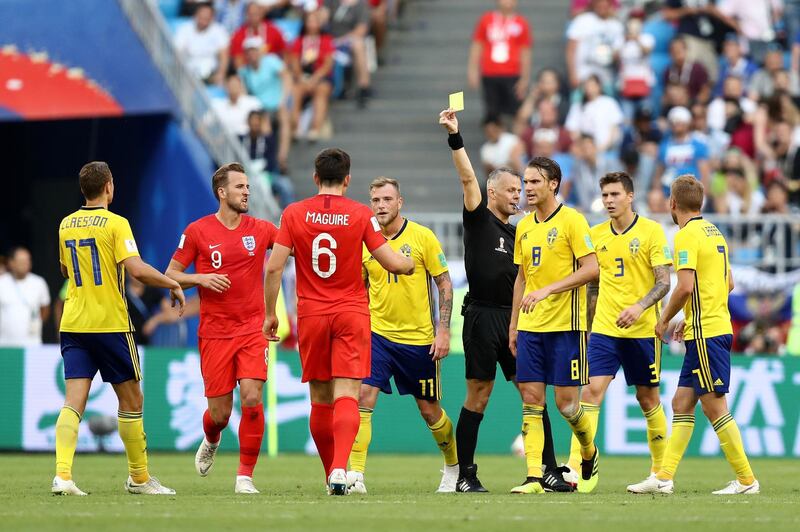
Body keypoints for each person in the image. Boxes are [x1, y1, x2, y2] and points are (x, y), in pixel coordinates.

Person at [262, 148, 414, 495]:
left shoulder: (294, 213)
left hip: (312, 314)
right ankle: (341, 470)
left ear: (316, 178)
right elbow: (390, 262)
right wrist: (408, 264)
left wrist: (271, 313)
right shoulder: (362, 214)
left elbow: (274, 267)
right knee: (348, 392)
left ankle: (330, 471)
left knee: (319, 397)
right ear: (347, 180)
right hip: (350, 312)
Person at [438, 109, 571, 494]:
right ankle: (466, 475)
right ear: (492, 192)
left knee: (533, 394)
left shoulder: (524, 232)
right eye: (512, 190)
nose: (519, 196)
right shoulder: (478, 218)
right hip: (480, 316)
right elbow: (466, 176)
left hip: (517, 319)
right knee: (478, 396)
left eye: (521, 190)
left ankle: (547, 469)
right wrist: (455, 137)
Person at [53, 161, 185, 496]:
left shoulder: (65, 225)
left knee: (73, 401)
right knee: (131, 399)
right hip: (109, 324)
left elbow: (66, 271)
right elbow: (136, 269)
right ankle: (139, 479)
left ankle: (63, 476)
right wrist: (172, 282)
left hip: (73, 324)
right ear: (109, 186)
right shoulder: (116, 224)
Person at [629, 175, 760, 495]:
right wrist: (696, 314)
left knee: (715, 407)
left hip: (707, 334)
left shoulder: (686, 236)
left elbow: (685, 286)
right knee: (681, 402)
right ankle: (663, 476)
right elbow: (727, 283)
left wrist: (665, 319)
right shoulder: (716, 233)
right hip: (710, 327)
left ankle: (746, 480)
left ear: (673, 204)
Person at [165, 163, 278, 494]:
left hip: (252, 330)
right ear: (222, 192)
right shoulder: (198, 231)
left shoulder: (260, 228)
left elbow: (293, 244)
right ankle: (212, 438)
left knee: (253, 397)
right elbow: (170, 272)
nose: (247, 191)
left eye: (247, 186)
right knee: (220, 414)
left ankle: (245, 477)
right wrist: (198, 278)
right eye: (240, 186)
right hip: (214, 333)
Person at [347, 177, 458, 494]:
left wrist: (444, 329)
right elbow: (360, 287)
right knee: (363, 399)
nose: (380, 206)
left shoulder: (423, 237)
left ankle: (452, 465)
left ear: (400, 202)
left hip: (419, 340)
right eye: (375, 200)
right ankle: (356, 476)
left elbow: (444, 283)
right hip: (378, 335)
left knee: (429, 410)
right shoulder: (364, 240)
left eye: (386, 199)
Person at [562, 172, 672, 490]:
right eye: (605, 196)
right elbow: (593, 284)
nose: (609, 201)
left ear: (629, 196)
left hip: (642, 332)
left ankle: (661, 474)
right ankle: (577, 467)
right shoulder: (596, 235)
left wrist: (639, 307)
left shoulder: (651, 231)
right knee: (589, 394)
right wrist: (588, 321)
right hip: (605, 330)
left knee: (647, 398)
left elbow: (664, 282)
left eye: (614, 195)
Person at [508, 156, 600, 494]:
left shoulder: (573, 221)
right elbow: (521, 279)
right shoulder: (524, 226)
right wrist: (514, 324)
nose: (527, 188)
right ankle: (534, 476)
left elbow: (592, 269)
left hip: (566, 326)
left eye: (534, 182)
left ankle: (589, 451)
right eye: (526, 182)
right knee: (531, 400)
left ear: (553, 184)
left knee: (566, 405)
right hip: (531, 327)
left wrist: (549, 289)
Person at [468, 0, 532, 119]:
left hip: (512, 73)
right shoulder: (486, 19)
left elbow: (525, 51)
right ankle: (496, 137)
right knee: (492, 110)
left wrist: (525, 78)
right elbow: (477, 45)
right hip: (489, 72)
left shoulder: (521, 22)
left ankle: (514, 137)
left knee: (515, 109)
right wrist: (473, 70)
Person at [288, 8, 335, 141]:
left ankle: (315, 128)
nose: (312, 24)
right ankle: (295, 128)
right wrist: (301, 78)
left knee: (321, 92)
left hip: (321, 78)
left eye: (315, 21)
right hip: (303, 78)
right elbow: (295, 62)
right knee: (295, 92)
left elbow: (328, 64)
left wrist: (315, 79)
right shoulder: (299, 41)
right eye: (310, 21)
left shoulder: (326, 40)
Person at [565, 0, 624, 90]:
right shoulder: (582, 20)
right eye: (599, 4)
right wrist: (572, 74)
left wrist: (613, 56)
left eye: (605, 5)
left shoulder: (616, 25)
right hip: (583, 75)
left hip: (607, 76)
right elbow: (571, 49)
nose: (601, 7)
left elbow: (619, 50)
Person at [0, 246, 51, 346]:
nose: (25, 264)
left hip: (32, 343)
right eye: (21, 261)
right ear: (11, 263)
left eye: (27, 260)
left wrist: (37, 323)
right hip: (5, 344)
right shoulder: (2, 282)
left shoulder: (39, 282)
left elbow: (45, 309)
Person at [174, 3, 230, 85]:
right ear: (195, 16)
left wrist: (221, 74)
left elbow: (224, 56)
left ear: (212, 18)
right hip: (189, 73)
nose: (203, 21)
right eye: (201, 17)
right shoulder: (184, 29)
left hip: (211, 74)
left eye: (206, 18)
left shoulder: (219, 31)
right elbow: (177, 52)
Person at [229, 1, 287, 68]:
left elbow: (284, 52)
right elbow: (238, 60)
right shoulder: (239, 34)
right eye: (250, 14)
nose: (253, 17)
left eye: (256, 14)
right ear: (246, 15)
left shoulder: (273, 30)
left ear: (262, 14)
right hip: (249, 72)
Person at [213, 72, 263, 137]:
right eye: (231, 85)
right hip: (223, 142)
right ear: (226, 87)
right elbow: (203, 125)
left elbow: (263, 126)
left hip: (246, 142)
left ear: (240, 86)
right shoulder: (217, 105)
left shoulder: (253, 103)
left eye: (235, 85)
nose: (233, 88)